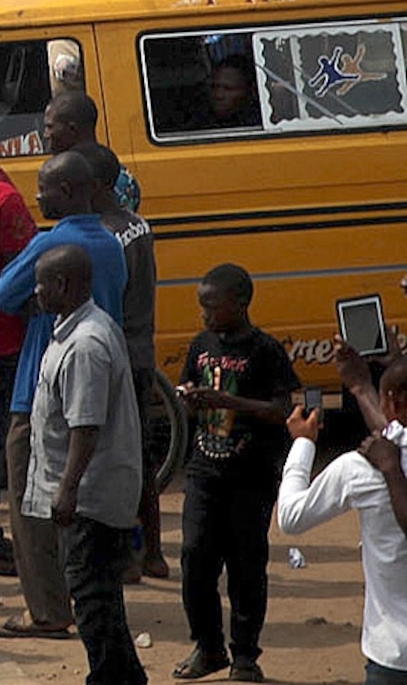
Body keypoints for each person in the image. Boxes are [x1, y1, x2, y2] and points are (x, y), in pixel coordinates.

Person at [22, 244, 145, 685]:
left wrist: (68, 489)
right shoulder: (72, 330)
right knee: (99, 598)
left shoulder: (86, 344)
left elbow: (85, 425)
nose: (35, 291)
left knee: (93, 599)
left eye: (40, 283)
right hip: (88, 493)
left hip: (91, 497)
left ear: (61, 284)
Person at [172, 264, 297, 683]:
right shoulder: (201, 344)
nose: (205, 315)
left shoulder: (265, 351)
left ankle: (245, 655)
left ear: (240, 305)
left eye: (212, 306)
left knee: (246, 565)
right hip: (204, 470)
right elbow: (188, 391)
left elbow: (282, 410)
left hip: (251, 474)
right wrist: (190, 398)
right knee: (195, 558)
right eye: (201, 306)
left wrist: (230, 402)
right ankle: (208, 647)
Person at [273, 358, 407, 685]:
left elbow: (290, 517)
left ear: (393, 401)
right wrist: (362, 388)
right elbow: (392, 429)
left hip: (393, 653)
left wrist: (303, 442)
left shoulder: (361, 468)